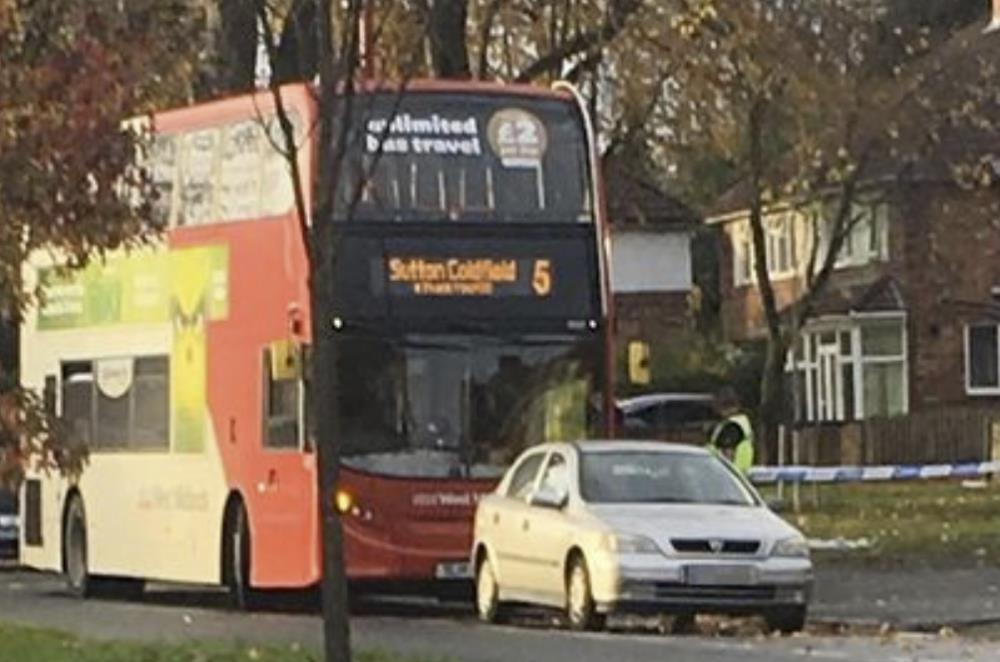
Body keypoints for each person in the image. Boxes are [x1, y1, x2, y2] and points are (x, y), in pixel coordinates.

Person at [707, 387, 754, 474]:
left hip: (727, 474)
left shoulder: (731, 426)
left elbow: (728, 454)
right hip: (741, 472)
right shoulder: (743, 422)